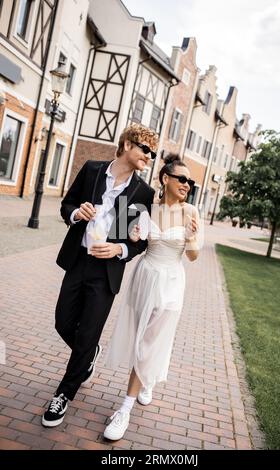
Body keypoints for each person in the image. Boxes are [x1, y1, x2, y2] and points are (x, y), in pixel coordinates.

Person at [42, 124, 158, 427]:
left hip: (106, 272)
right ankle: (89, 353)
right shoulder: (93, 170)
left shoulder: (142, 192)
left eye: (152, 152)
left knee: (88, 331)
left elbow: (138, 240)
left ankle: (64, 394)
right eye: (145, 149)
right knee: (63, 322)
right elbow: (66, 205)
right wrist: (76, 214)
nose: (150, 155)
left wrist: (119, 249)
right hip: (78, 260)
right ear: (127, 144)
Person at [103, 154, 200, 441]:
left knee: (150, 342)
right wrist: (133, 236)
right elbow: (134, 239)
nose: (187, 184)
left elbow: (193, 256)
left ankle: (124, 409)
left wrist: (193, 237)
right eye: (181, 179)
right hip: (144, 277)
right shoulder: (148, 207)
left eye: (190, 181)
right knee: (139, 338)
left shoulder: (191, 212)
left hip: (171, 282)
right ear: (165, 179)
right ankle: (148, 377)